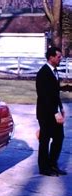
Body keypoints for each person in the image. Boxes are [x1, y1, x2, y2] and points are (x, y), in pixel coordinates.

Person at [35, 47, 67, 176]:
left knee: (59, 138)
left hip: (55, 111)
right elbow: (44, 96)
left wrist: (61, 108)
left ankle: (53, 164)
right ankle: (44, 168)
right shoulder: (43, 73)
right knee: (45, 140)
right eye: (58, 56)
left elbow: (55, 93)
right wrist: (55, 112)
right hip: (45, 114)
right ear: (51, 57)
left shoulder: (54, 71)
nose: (61, 59)